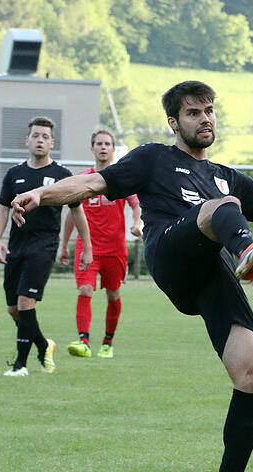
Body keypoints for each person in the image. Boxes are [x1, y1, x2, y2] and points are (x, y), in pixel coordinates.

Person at [10, 81, 253, 472]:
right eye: (193, 112)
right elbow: (93, 181)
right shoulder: (152, 159)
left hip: (213, 274)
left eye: (209, 110)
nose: (205, 118)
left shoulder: (228, 177)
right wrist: (43, 195)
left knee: (252, 374)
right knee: (221, 207)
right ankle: (248, 250)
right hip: (170, 255)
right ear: (174, 123)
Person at [0, 116, 93, 376]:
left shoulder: (61, 176)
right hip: (17, 247)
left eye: (45, 137)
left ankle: (20, 366)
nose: (40, 140)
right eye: (36, 136)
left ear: (52, 142)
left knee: (26, 301)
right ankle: (43, 344)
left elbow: (77, 212)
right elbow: (2, 209)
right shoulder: (14, 174)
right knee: (13, 308)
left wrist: (87, 247)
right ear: (27, 140)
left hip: (44, 246)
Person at [60, 128, 144, 359]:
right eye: (99, 143)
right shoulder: (84, 180)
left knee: (113, 295)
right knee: (85, 289)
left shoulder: (120, 178)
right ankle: (83, 341)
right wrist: (64, 244)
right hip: (87, 248)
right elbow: (71, 212)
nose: (103, 147)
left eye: (107, 143)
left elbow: (137, 204)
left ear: (113, 149)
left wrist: (137, 223)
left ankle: (108, 342)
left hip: (115, 249)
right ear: (92, 148)